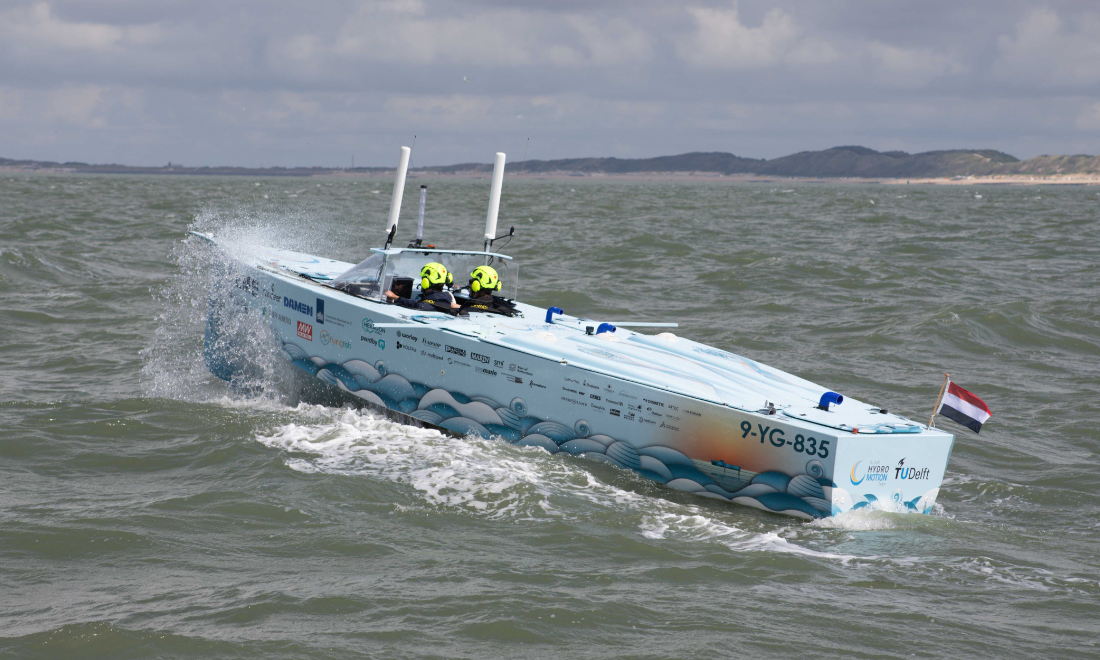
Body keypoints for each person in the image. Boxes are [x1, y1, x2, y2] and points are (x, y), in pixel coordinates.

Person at [384, 262, 462, 313]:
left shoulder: (423, 306)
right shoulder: (447, 297)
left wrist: (394, 297)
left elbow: (416, 305)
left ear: (426, 282)